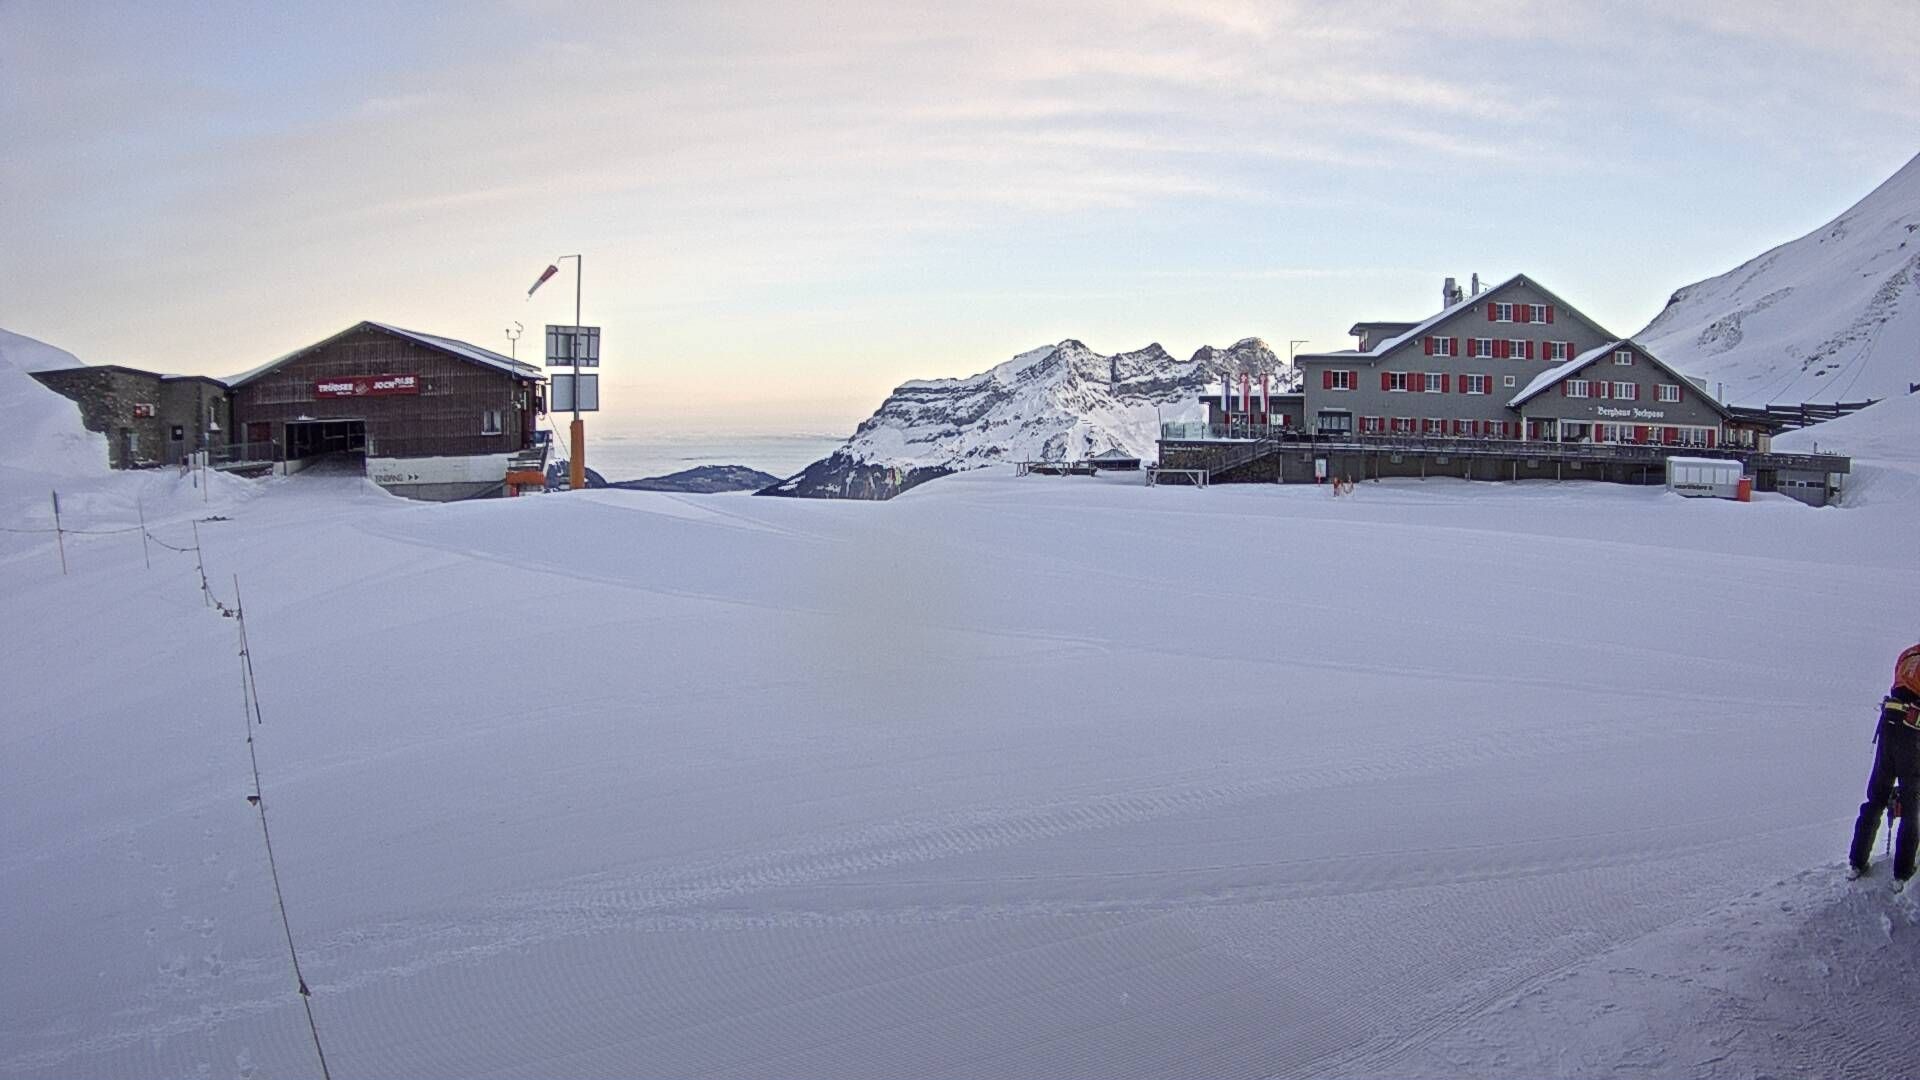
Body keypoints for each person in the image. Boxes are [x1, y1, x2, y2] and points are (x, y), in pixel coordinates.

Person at [1847, 643, 1920, 887]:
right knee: (1912, 805)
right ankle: (1903, 872)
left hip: (1889, 728)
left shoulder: (1909, 654)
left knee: (1876, 796)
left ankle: (1857, 862)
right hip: (1913, 734)